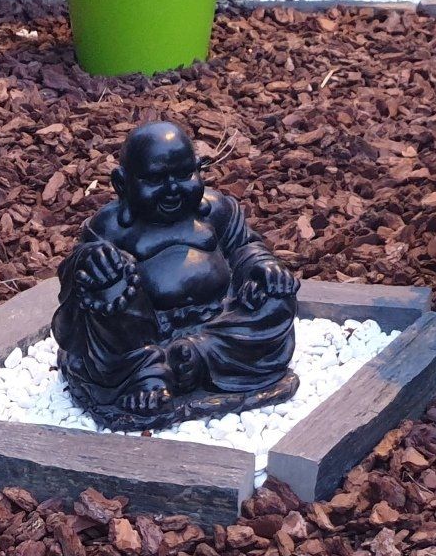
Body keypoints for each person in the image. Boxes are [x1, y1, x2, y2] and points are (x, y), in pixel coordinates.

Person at [53, 120, 300, 428]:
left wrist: (264, 268)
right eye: (155, 179)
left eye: (184, 175)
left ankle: (194, 358)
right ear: (122, 184)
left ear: (199, 170)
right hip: (144, 335)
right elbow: (77, 277)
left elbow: (245, 248)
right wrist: (95, 264)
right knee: (109, 285)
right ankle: (147, 374)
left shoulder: (218, 209)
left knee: (276, 299)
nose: (172, 190)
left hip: (220, 323)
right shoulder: (109, 227)